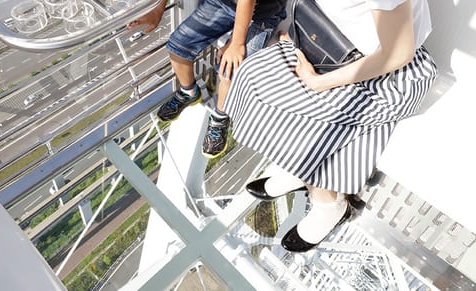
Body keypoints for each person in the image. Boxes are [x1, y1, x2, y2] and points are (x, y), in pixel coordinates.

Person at [225, 0, 437, 252]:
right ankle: (301, 168)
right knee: (252, 76)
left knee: (309, 123)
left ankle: (328, 203)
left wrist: (319, 83)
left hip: (381, 74)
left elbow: (398, 55)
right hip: (325, 41)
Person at [128, 0, 288, 158]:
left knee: (231, 68)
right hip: (224, 4)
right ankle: (189, 92)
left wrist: (236, 43)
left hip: (263, 12)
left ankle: (220, 119)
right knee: (178, 45)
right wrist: (158, 10)